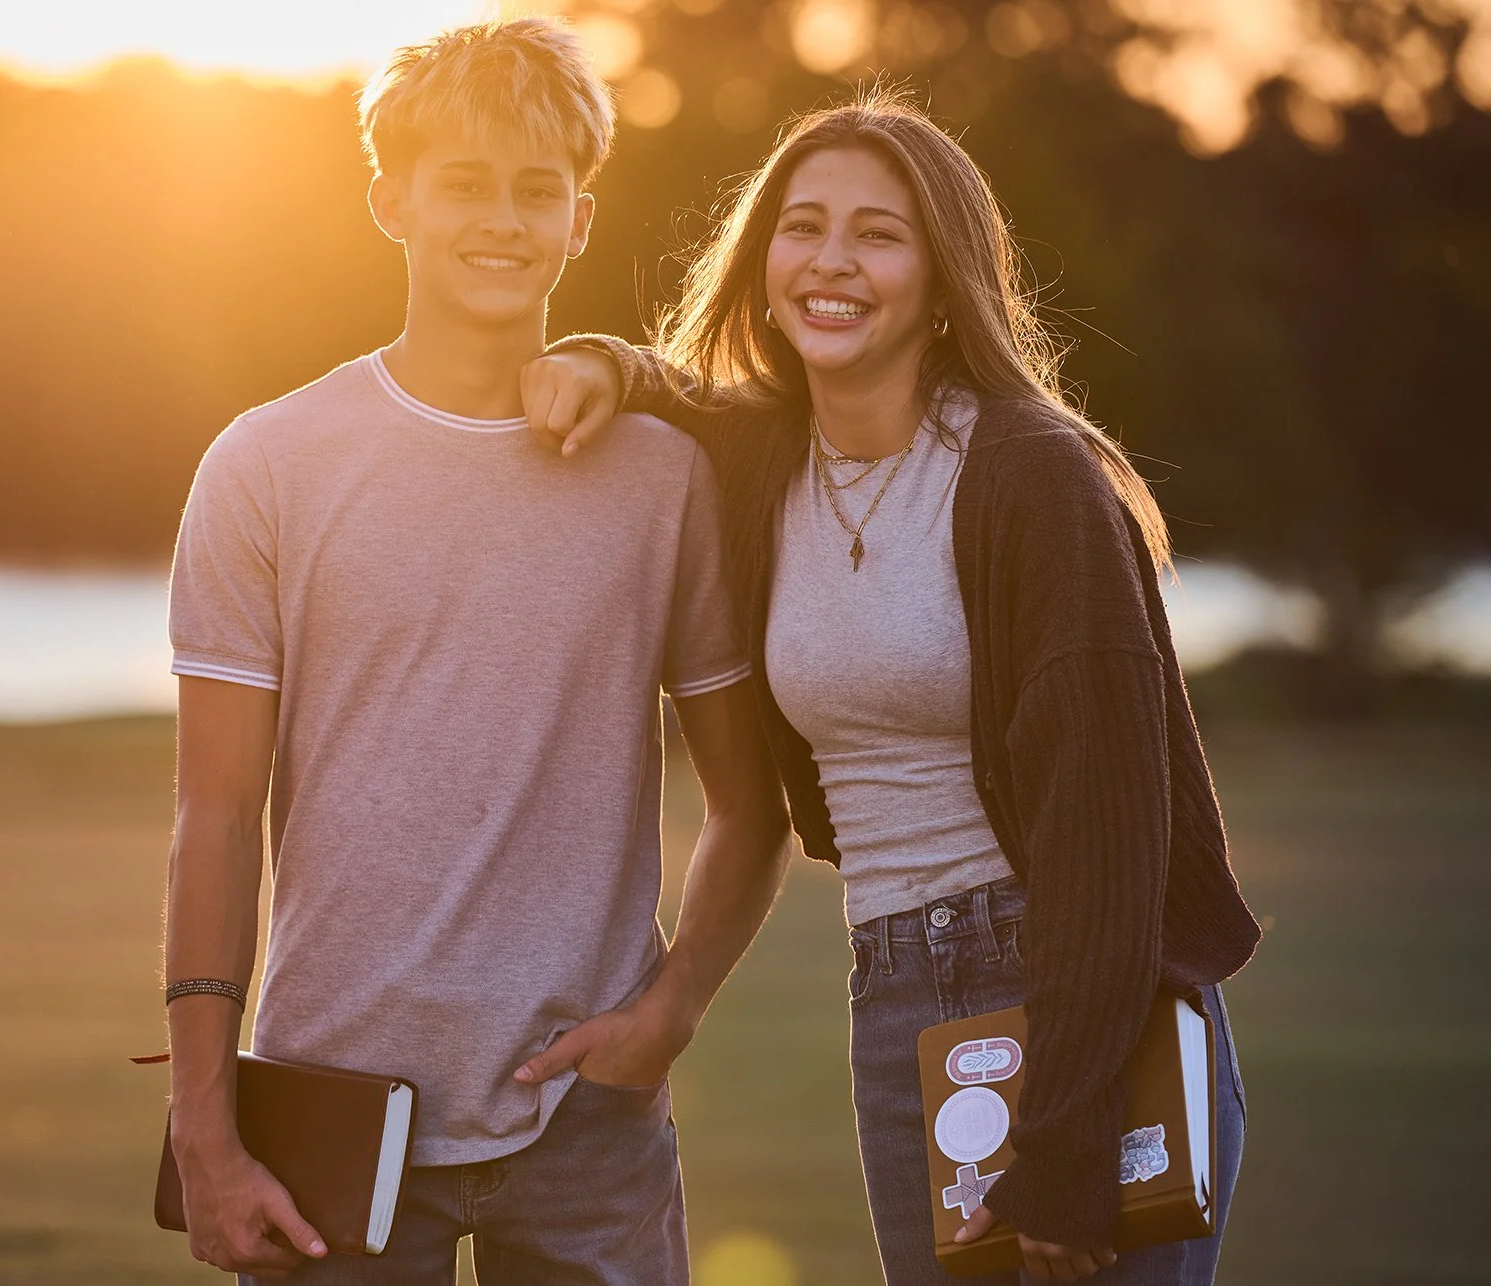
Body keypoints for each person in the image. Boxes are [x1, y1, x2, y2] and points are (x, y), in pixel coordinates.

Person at [517, 87, 1260, 1285]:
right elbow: (686, 392)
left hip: (1075, 991)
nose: (833, 261)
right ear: (764, 259)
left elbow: (1107, 833)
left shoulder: (1034, 478)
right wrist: (605, 360)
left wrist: (1067, 1135)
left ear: (941, 273)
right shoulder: (765, 460)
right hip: (895, 996)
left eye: (880, 232)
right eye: (803, 226)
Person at [161, 18, 789, 1285]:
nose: (500, 219)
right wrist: (205, 1126)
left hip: (589, 1126)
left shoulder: (665, 479)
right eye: (463, 182)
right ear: (391, 199)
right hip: (329, 1114)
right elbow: (217, 817)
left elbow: (748, 803)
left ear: (580, 218)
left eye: (535, 189)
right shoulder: (266, 465)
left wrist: (667, 1015)